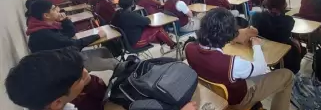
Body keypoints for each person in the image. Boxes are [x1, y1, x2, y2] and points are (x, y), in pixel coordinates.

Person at [5, 48, 199, 110]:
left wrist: (88, 84)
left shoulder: (65, 99)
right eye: (80, 77)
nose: (87, 74)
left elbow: (104, 97)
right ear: (56, 102)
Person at [185, 8, 293, 110]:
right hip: (237, 101)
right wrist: (256, 46)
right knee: (287, 75)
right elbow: (261, 68)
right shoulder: (231, 63)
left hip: (212, 92)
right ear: (228, 35)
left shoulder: (188, 48)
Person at [26, 0, 118, 71]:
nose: (58, 10)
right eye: (54, 9)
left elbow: (70, 34)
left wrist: (65, 20)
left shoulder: (47, 26)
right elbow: (75, 44)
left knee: (104, 50)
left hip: (67, 55)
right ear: (46, 15)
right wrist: (97, 36)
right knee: (114, 63)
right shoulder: (44, 34)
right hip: (64, 65)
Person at [251, 0, 302, 73]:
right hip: (282, 53)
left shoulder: (256, 17)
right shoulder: (289, 21)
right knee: (296, 44)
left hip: (262, 50)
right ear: (284, 5)